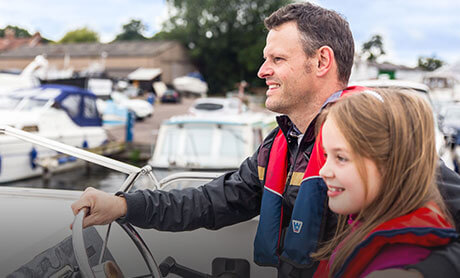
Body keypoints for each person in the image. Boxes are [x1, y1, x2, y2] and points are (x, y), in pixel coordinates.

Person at [72, 2, 460, 277]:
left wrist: (423, 273)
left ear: (321, 61)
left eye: (277, 59)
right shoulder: (280, 144)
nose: (261, 70)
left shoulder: (379, 137)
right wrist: (123, 205)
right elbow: (211, 202)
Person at [310, 89, 457, 277]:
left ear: (391, 163)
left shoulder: (400, 263)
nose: (323, 171)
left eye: (341, 157)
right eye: (325, 155)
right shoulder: (364, 224)